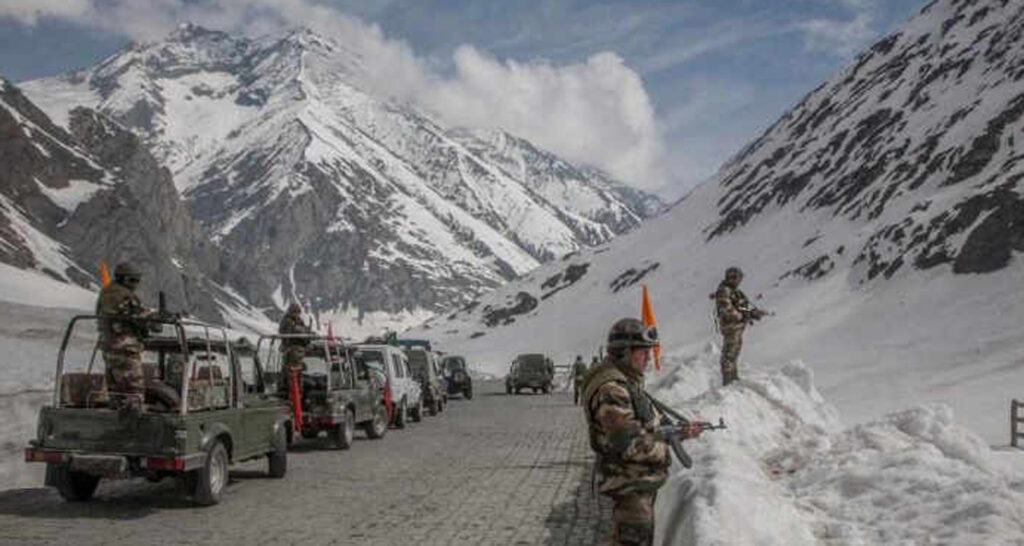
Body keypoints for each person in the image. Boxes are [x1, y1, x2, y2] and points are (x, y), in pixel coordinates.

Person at [583, 318, 702, 546]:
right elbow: (628, 445)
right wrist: (665, 445)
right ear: (624, 353)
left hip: (635, 483)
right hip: (628, 484)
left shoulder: (626, 383)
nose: (648, 357)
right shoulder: (612, 390)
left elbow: (644, 426)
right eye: (642, 352)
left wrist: (679, 432)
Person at [96, 262, 152, 411]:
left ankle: (116, 426)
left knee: (116, 392)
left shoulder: (106, 292)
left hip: (109, 349)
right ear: (122, 279)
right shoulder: (123, 295)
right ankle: (135, 431)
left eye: (137, 281)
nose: (135, 285)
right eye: (132, 280)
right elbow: (139, 317)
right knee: (134, 392)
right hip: (125, 348)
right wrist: (154, 318)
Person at [714, 267, 764, 385]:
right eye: (738, 278)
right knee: (729, 354)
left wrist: (752, 313)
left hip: (736, 327)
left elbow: (741, 306)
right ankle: (728, 380)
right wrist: (743, 316)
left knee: (734, 352)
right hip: (731, 327)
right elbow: (727, 310)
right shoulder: (724, 291)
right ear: (733, 277)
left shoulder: (734, 292)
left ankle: (733, 378)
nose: (739, 281)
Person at [278, 303, 312, 395]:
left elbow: (305, 331)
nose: (297, 315)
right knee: (291, 373)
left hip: (294, 348)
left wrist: (308, 333)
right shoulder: (287, 321)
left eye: (298, 313)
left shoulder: (298, 320)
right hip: (291, 349)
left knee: (296, 373)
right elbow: (293, 331)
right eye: (296, 313)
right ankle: (292, 393)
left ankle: (295, 392)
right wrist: (303, 331)